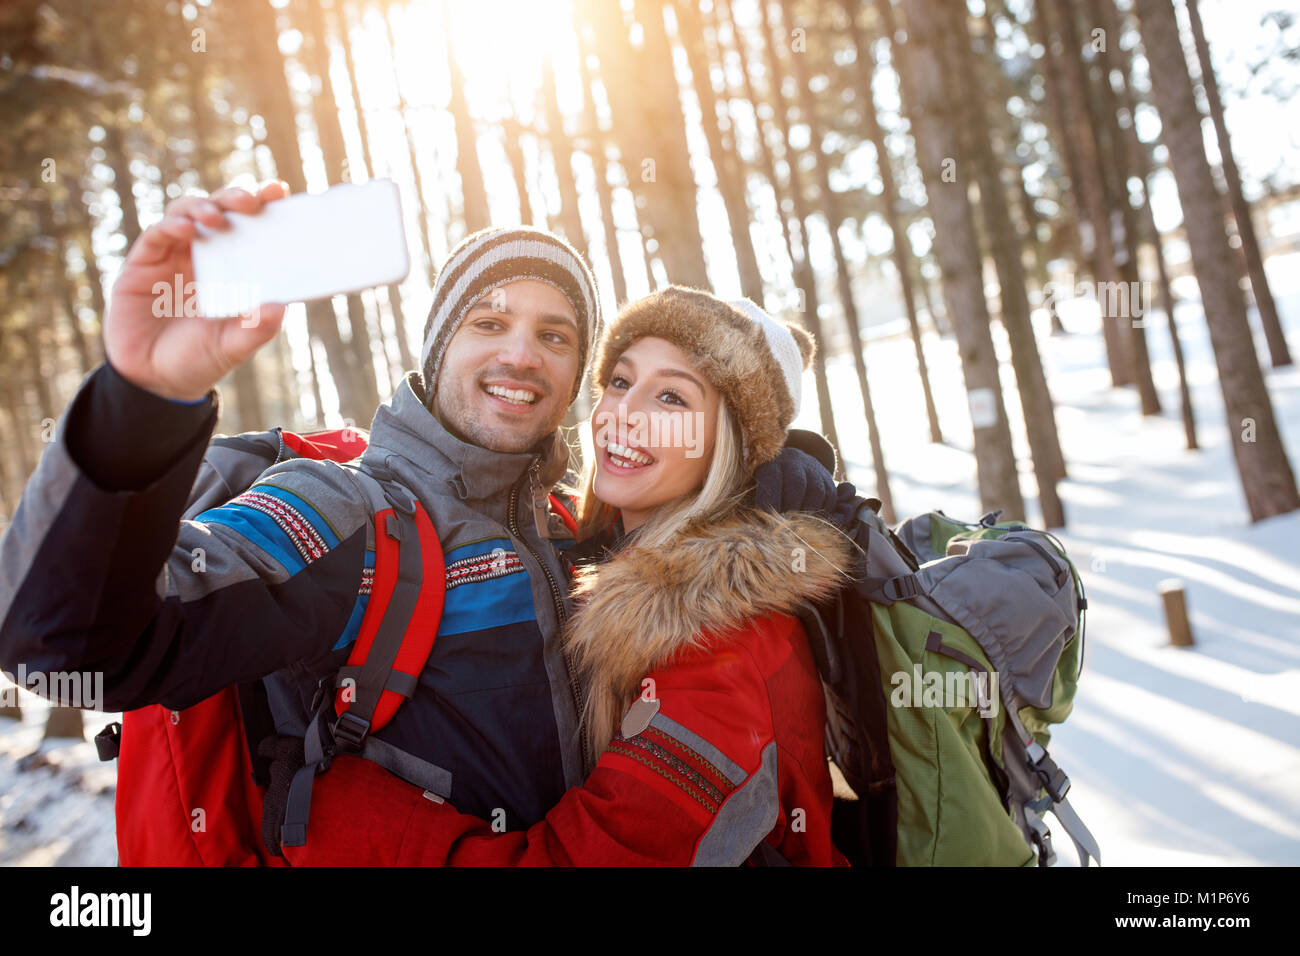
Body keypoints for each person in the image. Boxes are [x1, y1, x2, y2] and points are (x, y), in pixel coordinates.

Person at [0, 183, 847, 859]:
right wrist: (140, 401)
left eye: (556, 336)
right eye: (489, 322)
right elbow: (64, 642)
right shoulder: (346, 514)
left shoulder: (570, 532)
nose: (521, 354)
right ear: (439, 345)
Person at [275, 286, 858, 866]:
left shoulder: (730, 645)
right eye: (622, 382)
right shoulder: (590, 562)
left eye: (674, 399)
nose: (624, 416)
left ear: (727, 444)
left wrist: (354, 827)